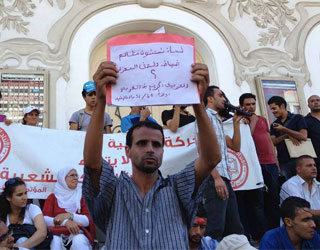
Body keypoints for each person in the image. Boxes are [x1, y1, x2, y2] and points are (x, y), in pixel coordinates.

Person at [82, 61, 221, 249]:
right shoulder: (114, 191)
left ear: (163, 151)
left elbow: (211, 159)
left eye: (156, 144)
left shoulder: (177, 188)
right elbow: (92, 164)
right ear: (127, 151)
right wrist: (100, 101)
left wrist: (198, 102)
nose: (150, 149)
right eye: (141, 143)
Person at [200, 86, 244, 241]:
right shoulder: (205, 116)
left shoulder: (217, 121)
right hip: (214, 179)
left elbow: (236, 147)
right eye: (220, 95)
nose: (225, 99)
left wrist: (236, 123)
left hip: (225, 179)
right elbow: (202, 148)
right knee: (214, 227)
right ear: (210, 98)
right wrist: (216, 177)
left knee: (235, 229)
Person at [240, 93, 279, 230]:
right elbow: (245, 139)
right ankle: (261, 232)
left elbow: (269, 140)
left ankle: (275, 229)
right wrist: (253, 121)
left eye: (253, 104)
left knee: (273, 198)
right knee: (257, 201)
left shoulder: (263, 119)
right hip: (255, 165)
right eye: (248, 104)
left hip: (270, 163)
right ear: (242, 106)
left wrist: (276, 162)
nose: (251, 107)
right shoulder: (241, 121)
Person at [43, 167, 94, 250]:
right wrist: (65, 222)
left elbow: (88, 221)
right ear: (63, 178)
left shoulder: (82, 196)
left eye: (76, 175)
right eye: (72, 175)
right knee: (55, 242)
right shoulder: (53, 197)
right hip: (57, 233)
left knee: (79, 240)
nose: (76, 178)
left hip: (77, 233)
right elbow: (44, 220)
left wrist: (70, 216)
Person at [0, 177, 48, 249]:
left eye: (25, 193)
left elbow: (42, 233)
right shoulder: (1, 214)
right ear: (9, 197)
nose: (24, 197)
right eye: (19, 195)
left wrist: (19, 247)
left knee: (22, 240)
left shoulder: (32, 208)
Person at [268, 95, 308, 180]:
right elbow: (273, 142)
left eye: (274, 108)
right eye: (271, 109)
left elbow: (303, 136)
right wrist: (286, 135)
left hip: (301, 159)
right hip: (284, 161)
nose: (273, 111)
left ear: (282, 106)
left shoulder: (297, 118)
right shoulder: (274, 125)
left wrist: (284, 129)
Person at [280, 155, 320, 231]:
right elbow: (302, 211)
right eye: (309, 166)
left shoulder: (318, 185)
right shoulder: (290, 185)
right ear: (298, 169)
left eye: (315, 165)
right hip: (296, 227)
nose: (314, 168)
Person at [305, 95, 320, 180]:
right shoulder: (305, 120)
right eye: (312, 101)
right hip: (316, 159)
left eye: (318, 100)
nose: (316, 102)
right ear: (308, 105)